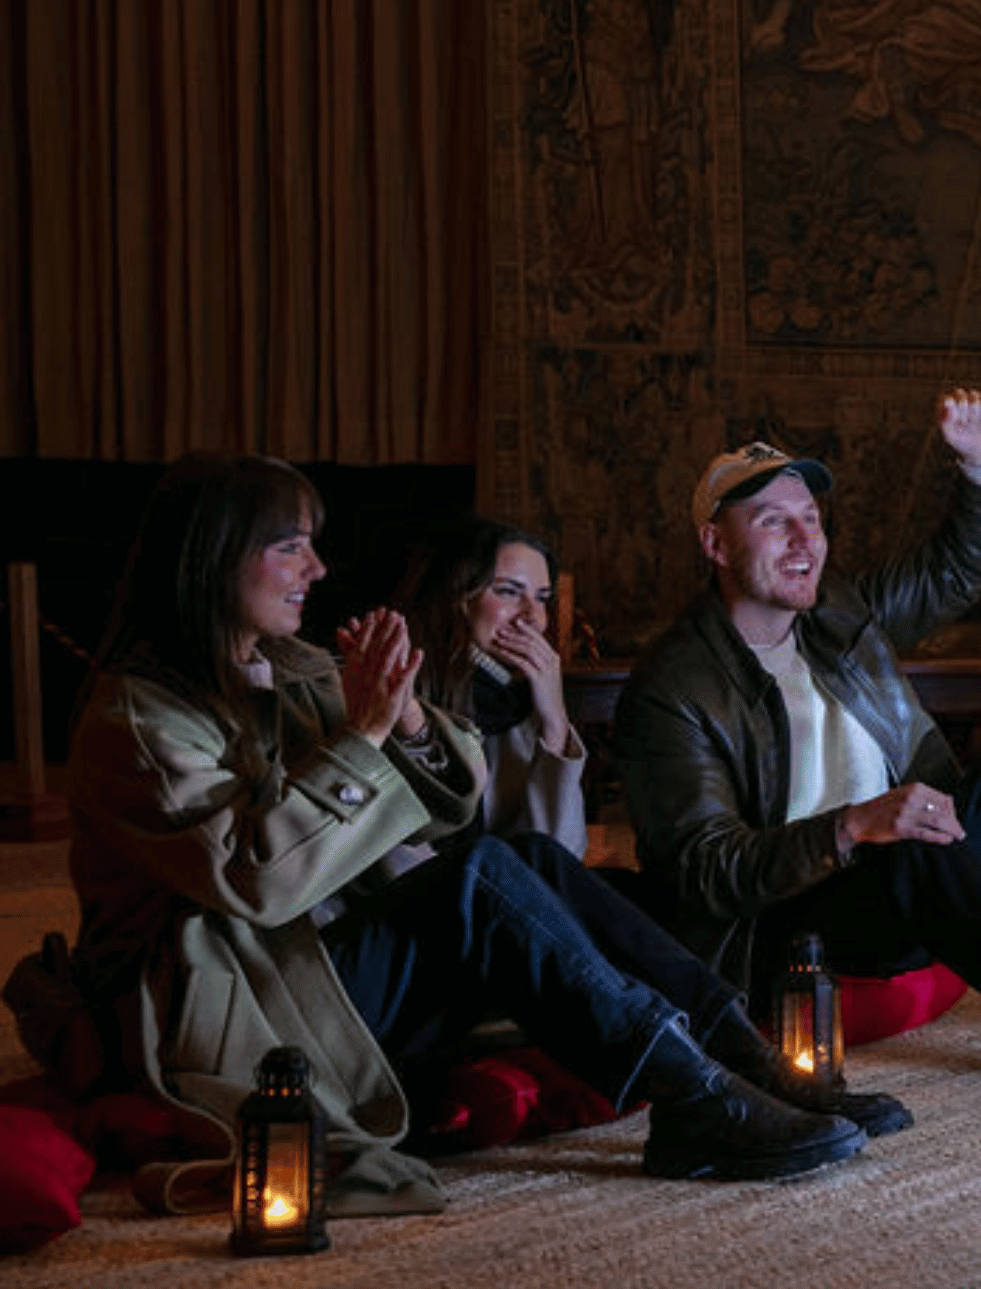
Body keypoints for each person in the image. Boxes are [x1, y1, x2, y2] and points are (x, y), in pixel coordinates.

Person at [64, 455, 867, 1221]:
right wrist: (366, 731)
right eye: (290, 547)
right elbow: (254, 882)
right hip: (245, 1006)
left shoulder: (288, 666)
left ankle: (734, 1054)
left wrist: (405, 719)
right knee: (483, 875)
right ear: (213, 559)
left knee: (527, 860)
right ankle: (693, 1096)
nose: (315, 568)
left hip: (321, 967)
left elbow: (450, 806)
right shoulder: (134, 722)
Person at [613, 388, 981, 1090]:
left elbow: (956, 572)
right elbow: (707, 869)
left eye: (811, 519)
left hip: (908, 863)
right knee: (904, 847)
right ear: (715, 544)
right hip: (791, 919)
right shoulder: (673, 688)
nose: (804, 539)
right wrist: (855, 826)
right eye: (772, 521)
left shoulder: (840, 610)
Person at [392, 517, 910, 1138]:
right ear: (455, 599)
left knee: (608, 885)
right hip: (424, 959)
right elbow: (427, 882)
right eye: (508, 592)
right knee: (527, 873)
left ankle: (747, 1057)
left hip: (501, 940)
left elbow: (554, 862)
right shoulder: (396, 701)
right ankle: (707, 1083)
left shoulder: (513, 705)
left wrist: (553, 720)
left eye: (543, 598)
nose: (531, 617)